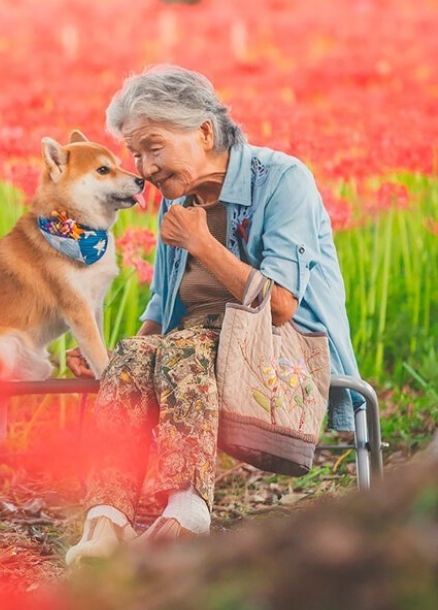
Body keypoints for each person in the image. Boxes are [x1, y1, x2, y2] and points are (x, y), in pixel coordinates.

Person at [65, 65, 361, 565]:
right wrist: (124, 362)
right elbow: (162, 305)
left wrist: (201, 241)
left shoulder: (283, 180)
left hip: (279, 350)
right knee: (136, 352)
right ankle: (106, 520)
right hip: (196, 350)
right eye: (135, 153)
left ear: (204, 131)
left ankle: (186, 514)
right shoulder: (175, 203)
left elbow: (282, 305)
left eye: (153, 148)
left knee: (182, 346)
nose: (144, 167)